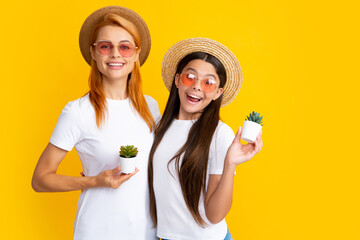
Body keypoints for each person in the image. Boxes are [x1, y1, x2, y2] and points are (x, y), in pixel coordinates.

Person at [32, 6, 160, 240]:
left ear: (136, 54)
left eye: (124, 46)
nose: (115, 55)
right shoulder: (78, 112)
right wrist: (94, 180)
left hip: (145, 231)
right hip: (98, 230)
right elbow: (40, 179)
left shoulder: (150, 107)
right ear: (93, 52)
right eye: (105, 46)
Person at [148, 38, 263, 240]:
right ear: (177, 80)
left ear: (218, 93)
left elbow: (214, 215)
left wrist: (230, 165)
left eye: (208, 82)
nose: (197, 87)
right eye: (190, 77)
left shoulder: (220, 134)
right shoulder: (158, 127)